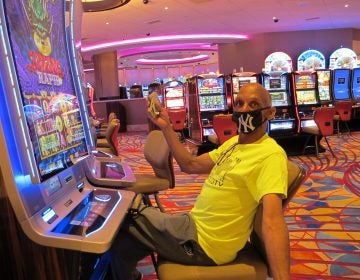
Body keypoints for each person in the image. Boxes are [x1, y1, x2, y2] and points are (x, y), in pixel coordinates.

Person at [109, 83, 290, 280]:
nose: (244, 109)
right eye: (239, 103)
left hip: (206, 244)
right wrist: (166, 126)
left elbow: (273, 222)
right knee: (122, 245)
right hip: (193, 224)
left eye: (253, 105)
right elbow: (190, 164)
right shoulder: (234, 144)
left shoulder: (270, 155)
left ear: (270, 113)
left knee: (125, 210)